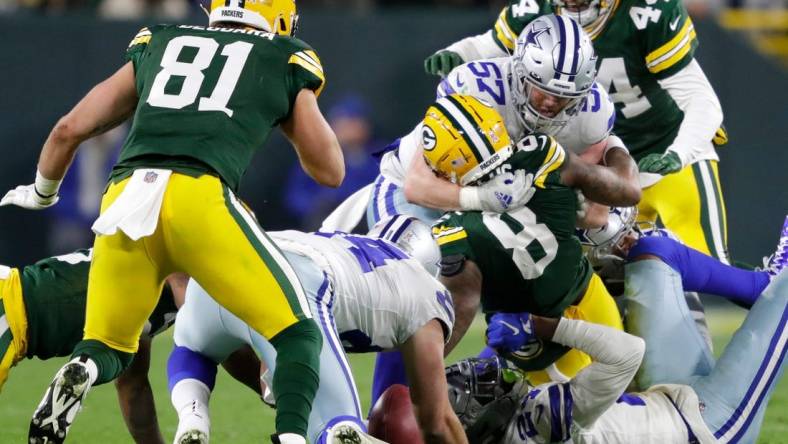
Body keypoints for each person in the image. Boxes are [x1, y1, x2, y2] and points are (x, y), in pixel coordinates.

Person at [1, 0, 344, 442]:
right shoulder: (286, 55)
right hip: (199, 196)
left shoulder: (159, 39)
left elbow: (69, 128)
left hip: (124, 197)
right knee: (297, 332)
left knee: (107, 344)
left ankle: (83, 368)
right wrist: (282, 103)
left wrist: (42, 192)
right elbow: (329, 170)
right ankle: (294, 437)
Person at [425, 0, 730, 264]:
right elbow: (490, 45)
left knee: (708, 264)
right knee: (622, 273)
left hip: (663, 151)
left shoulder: (647, 14)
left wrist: (680, 153)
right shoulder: (534, 12)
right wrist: (459, 53)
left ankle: (772, 291)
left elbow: (701, 98)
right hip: (601, 166)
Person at [437, 220, 788, 443]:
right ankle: (776, 287)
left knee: (655, 252)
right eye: (474, 390)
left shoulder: (516, 426)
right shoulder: (546, 422)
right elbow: (626, 353)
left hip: (668, 400)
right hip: (711, 426)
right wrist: (540, 326)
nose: (480, 376)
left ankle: (763, 287)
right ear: (483, 425)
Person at [166, 216, 466, 444]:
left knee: (194, 349)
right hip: (300, 285)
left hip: (226, 268)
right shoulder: (426, 292)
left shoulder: (341, 243)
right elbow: (435, 421)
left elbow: (233, 340)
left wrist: (286, 388)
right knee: (339, 429)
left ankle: (193, 413)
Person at [0, 250, 262, 443]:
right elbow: (214, 337)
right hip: (10, 310)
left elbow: (133, 385)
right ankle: (86, 366)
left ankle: (86, 366)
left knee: (119, 359)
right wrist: (283, 393)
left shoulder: (142, 297)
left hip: (19, 312)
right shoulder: (183, 261)